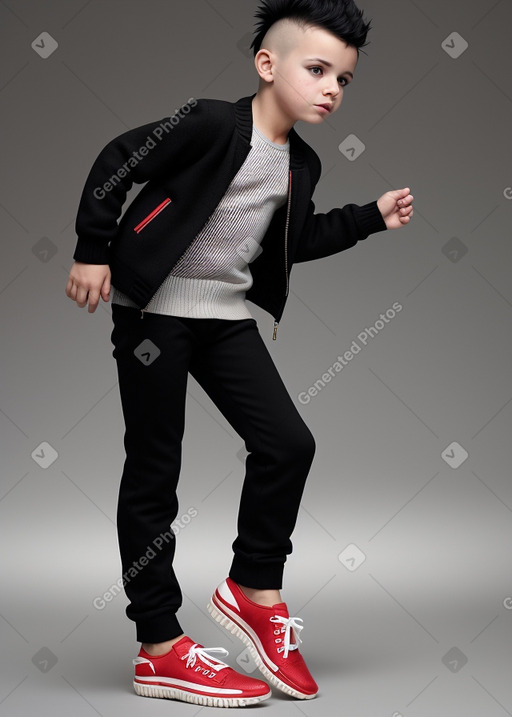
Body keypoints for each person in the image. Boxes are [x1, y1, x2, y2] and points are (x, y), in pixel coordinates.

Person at [65, 0, 414, 708]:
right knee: (157, 469)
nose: (330, 88)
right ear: (267, 64)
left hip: (223, 320)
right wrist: (91, 249)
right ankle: (159, 645)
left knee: (288, 443)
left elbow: (297, 238)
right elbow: (117, 161)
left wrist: (370, 219)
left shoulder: (302, 164)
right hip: (153, 317)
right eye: (317, 69)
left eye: (343, 79)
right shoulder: (209, 122)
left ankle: (254, 590)